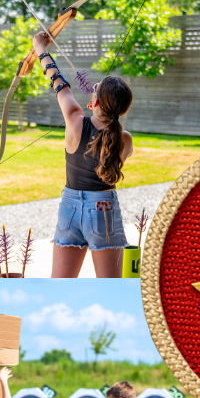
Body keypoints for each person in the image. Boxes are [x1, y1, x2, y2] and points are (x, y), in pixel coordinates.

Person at [30, 31, 134, 278]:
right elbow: (108, 134)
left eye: (94, 90)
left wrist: (40, 47)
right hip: (103, 209)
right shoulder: (125, 140)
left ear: (95, 102)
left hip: (70, 207)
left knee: (61, 286)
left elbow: (58, 83)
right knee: (111, 290)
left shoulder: (76, 122)